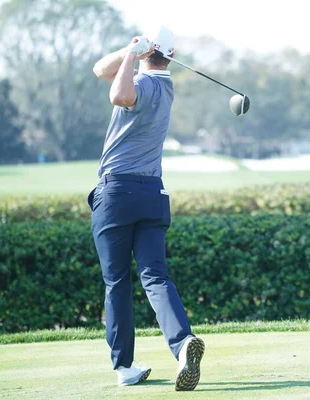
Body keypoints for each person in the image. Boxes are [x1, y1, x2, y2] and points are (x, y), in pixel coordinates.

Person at [87, 25, 204, 391]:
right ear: (169, 55)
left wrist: (132, 54)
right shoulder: (164, 87)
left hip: (118, 193)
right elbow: (100, 70)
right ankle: (183, 343)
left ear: (148, 53)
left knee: (117, 281)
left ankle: (124, 366)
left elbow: (118, 95)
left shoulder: (146, 86)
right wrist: (130, 51)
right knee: (155, 275)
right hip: (153, 193)